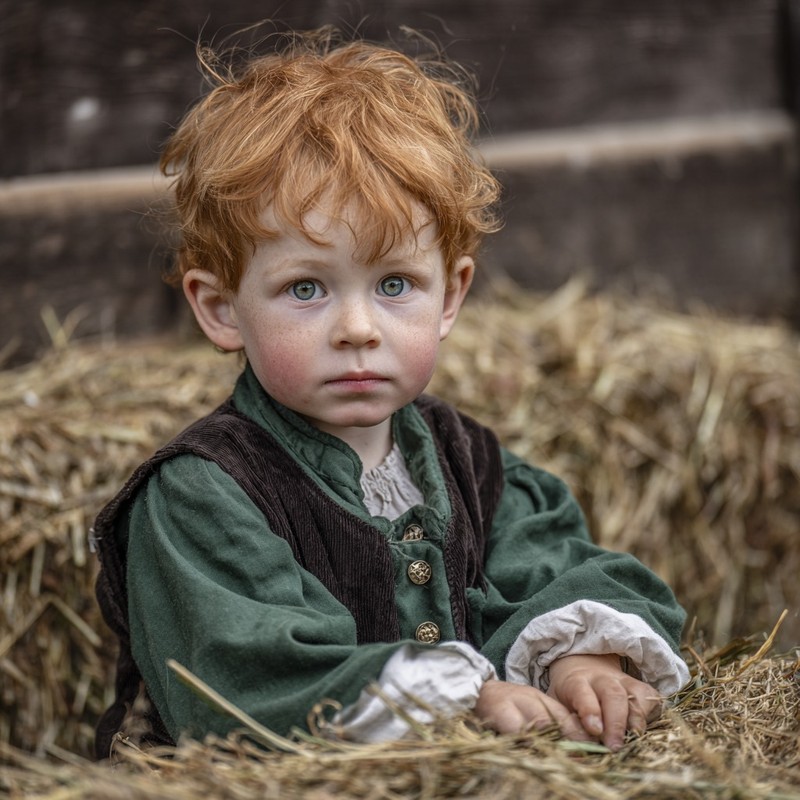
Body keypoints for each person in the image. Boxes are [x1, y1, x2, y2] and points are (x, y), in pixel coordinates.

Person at [91, 26, 689, 760]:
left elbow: (553, 564)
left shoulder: (469, 460)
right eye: (305, 288)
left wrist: (580, 659)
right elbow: (246, 678)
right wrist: (466, 699)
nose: (357, 328)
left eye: (395, 284)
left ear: (451, 295)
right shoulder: (203, 495)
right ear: (220, 310)